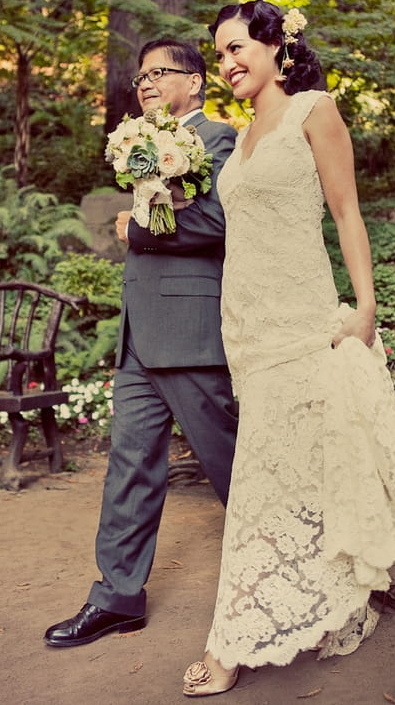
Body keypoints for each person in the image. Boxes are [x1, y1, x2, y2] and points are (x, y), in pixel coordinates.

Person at [181, 0, 395, 696]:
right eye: (219, 55)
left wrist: (367, 306)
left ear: (273, 45)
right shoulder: (239, 132)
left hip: (302, 321)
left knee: (264, 476)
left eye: (236, 49)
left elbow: (346, 211)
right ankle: (324, 587)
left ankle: (230, 643)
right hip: (249, 331)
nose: (226, 64)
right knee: (290, 468)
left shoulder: (313, 110)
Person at [44, 39, 238, 648]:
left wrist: (139, 228)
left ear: (196, 82)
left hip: (191, 333)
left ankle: (303, 567)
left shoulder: (218, 140)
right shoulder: (140, 142)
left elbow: (219, 223)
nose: (147, 83)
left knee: (234, 466)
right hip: (138, 338)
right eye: (141, 76)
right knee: (128, 467)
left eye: (161, 72)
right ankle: (118, 597)